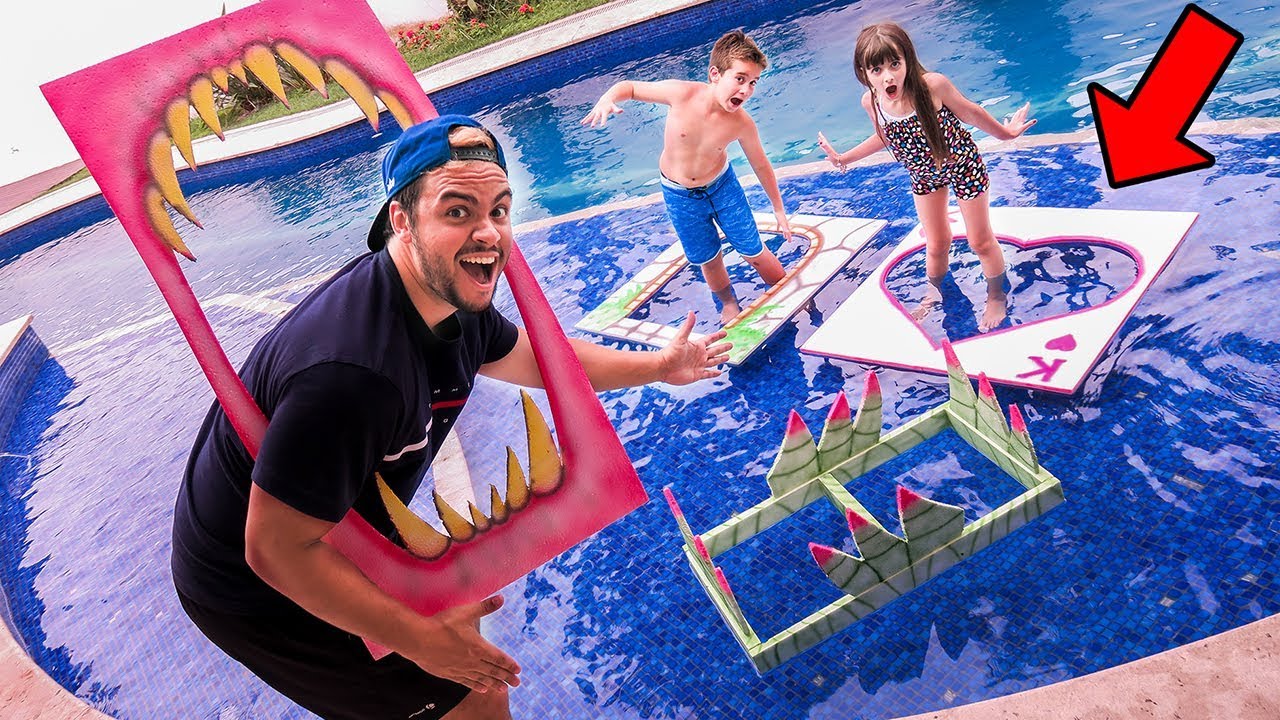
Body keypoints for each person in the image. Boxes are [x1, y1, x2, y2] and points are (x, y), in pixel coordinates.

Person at [171, 114, 731, 720]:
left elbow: (535, 361)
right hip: (258, 586)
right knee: (465, 691)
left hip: (335, 525)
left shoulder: (447, 296)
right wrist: (420, 640)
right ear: (402, 220)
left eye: (499, 209)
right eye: (457, 211)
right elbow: (275, 552)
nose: (488, 233)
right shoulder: (351, 376)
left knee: (477, 683)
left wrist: (658, 365)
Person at [816, 22, 1036, 331]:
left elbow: (971, 113)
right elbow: (884, 137)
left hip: (963, 166)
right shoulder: (872, 102)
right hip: (923, 175)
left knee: (980, 241)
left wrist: (1006, 134)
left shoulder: (932, 86)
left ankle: (997, 294)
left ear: (907, 59)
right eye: (877, 70)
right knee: (936, 244)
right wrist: (843, 158)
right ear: (864, 73)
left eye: (895, 63)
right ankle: (933, 293)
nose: (889, 76)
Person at [582, 29, 792, 325]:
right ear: (715, 74)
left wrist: (779, 210)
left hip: (722, 188)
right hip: (679, 195)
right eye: (740, 78)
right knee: (708, 256)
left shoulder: (741, 123)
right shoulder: (681, 94)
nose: (746, 90)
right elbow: (629, 87)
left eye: (753, 82)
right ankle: (729, 302)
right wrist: (607, 98)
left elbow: (761, 164)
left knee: (752, 248)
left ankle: (785, 290)